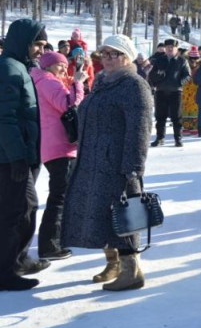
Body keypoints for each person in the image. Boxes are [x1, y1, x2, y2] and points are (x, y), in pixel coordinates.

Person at [62, 34, 153, 291]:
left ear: (127, 57)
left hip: (118, 165)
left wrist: (133, 167)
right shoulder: (103, 81)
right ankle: (113, 263)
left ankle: (131, 271)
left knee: (123, 216)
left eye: (115, 53)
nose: (108, 58)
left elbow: (140, 129)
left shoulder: (134, 85)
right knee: (102, 215)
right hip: (93, 161)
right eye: (104, 53)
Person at [0, 19, 50, 290]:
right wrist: (17, 156)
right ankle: (5, 271)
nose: (41, 50)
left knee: (26, 206)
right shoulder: (8, 68)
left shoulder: (21, 67)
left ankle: (18, 259)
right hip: (9, 158)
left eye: (44, 45)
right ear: (23, 42)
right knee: (15, 210)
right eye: (37, 44)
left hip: (21, 153)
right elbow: (4, 118)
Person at [31, 51, 88, 261]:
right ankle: (49, 245)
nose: (64, 68)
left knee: (61, 194)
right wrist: (78, 82)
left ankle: (56, 239)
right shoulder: (48, 81)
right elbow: (68, 105)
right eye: (59, 65)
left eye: (65, 65)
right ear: (47, 66)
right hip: (59, 146)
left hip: (54, 145)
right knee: (59, 196)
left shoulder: (43, 80)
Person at [148, 37, 191, 147]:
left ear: (176, 49)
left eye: (172, 47)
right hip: (161, 91)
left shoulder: (182, 61)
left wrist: (180, 82)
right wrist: (158, 76)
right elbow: (151, 75)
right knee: (160, 117)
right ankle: (160, 138)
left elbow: (187, 76)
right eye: (168, 47)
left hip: (176, 92)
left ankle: (178, 138)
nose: (170, 49)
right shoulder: (159, 60)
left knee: (177, 117)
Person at [181, 45, 201, 135]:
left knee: (194, 109)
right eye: (192, 58)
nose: (194, 60)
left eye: (196, 58)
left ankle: (193, 127)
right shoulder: (185, 65)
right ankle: (186, 126)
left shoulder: (200, 67)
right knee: (186, 108)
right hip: (186, 89)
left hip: (195, 90)